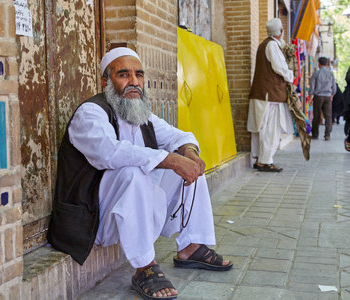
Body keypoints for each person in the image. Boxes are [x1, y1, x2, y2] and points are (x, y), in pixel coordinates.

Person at [47, 47, 232, 300]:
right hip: (93, 218)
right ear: (106, 82)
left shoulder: (140, 114)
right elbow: (110, 154)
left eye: (138, 74)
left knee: (190, 168)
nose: (134, 81)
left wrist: (189, 154)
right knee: (133, 172)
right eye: (124, 74)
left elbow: (180, 136)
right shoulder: (90, 113)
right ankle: (145, 267)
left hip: (130, 209)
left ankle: (192, 246)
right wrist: (169, 159)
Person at [247, 18, 294, 172]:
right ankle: (265, 161)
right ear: (280, 32)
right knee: (270, 129)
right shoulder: (272, 45)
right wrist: (291, 77)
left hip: (261, 93)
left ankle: (257, 158)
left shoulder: (263, 45)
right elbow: (280, 67)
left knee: (259, 128)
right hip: (269, 94)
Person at [308, 57, 337, 140]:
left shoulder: (316, 73)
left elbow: (312, 86)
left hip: (318, 97)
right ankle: (327, 135)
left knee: (316, 116)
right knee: (328, 117)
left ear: (319, 64)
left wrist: (310, 97)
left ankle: (315, 134)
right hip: (328, 96)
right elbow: (334, 87)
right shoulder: (331, 73)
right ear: (327, 64)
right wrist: (332, 95)